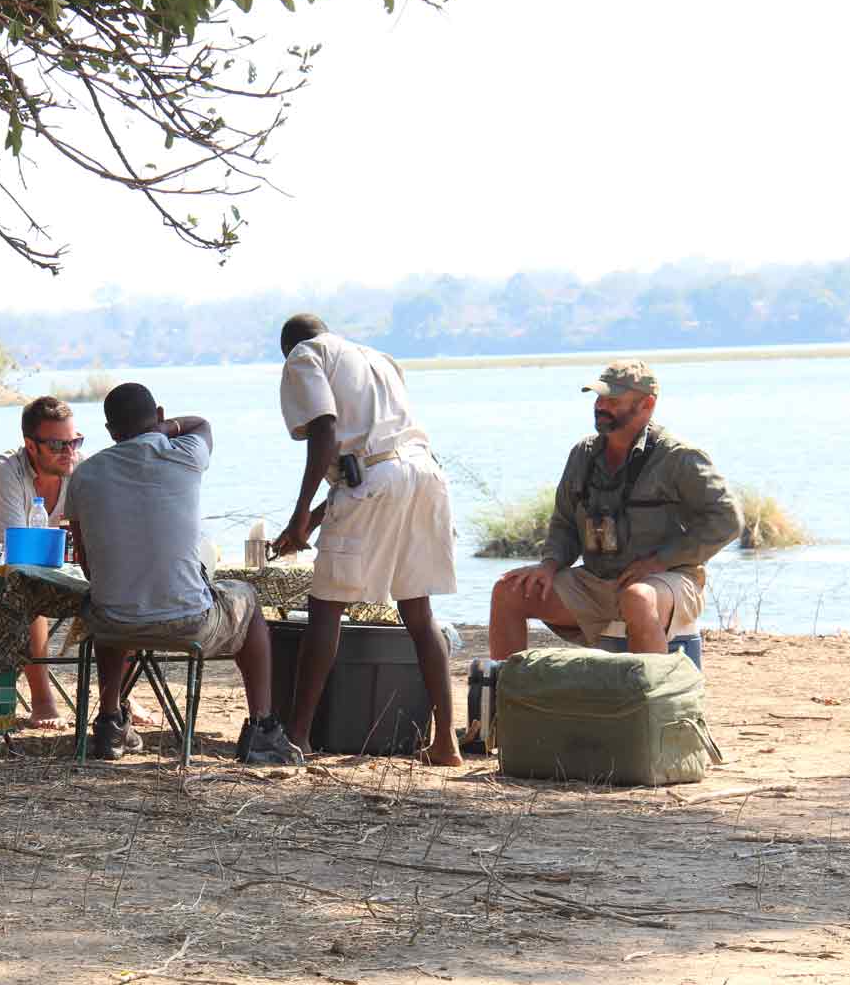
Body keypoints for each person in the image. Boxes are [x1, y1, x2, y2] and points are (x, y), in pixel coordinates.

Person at [65, 383, 304, 765]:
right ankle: (262, 728)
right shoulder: (185, 453)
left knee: (111, 598)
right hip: (189, 623)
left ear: (111, 431)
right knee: (249, 599)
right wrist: (167, 429)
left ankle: (110, 722)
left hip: (112, 626)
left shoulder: (84, 474)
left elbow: (87, 560)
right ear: (158, 415)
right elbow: (202, 424)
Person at [270, 315, 462, 766]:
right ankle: (446, 742)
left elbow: (325, 432)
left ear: (290, 348)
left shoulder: (305, 355)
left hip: (377, 478)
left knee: (325, 608)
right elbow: (369, 462)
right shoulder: (377, 357)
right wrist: (312, 523)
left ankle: (299, 738)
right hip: (425, 476)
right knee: (418, 609)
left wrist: (299, 513)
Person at [489, 360, 742, 660]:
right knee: (508, 591)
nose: (601, 406)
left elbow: (728, 520)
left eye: (612, 400)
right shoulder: (582, 455)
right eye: (598, 398)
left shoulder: (679, 458)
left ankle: (653, 700)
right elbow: (564, 524)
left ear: (647, 405)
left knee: (637, 598)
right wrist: (550, 564)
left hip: (667, 581)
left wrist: (660, 561)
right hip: (597, 582)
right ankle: (506, 700)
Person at [0, 396, 152, 729]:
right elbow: (19, 547)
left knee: (125, 589)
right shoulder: (7, 471)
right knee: (27, 587)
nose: (69, 451)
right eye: (58, 444)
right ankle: (42, 701)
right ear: (31, 445)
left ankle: (119, 702)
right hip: (7, 576)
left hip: (62, 568)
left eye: (74, 441)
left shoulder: (82, 468)